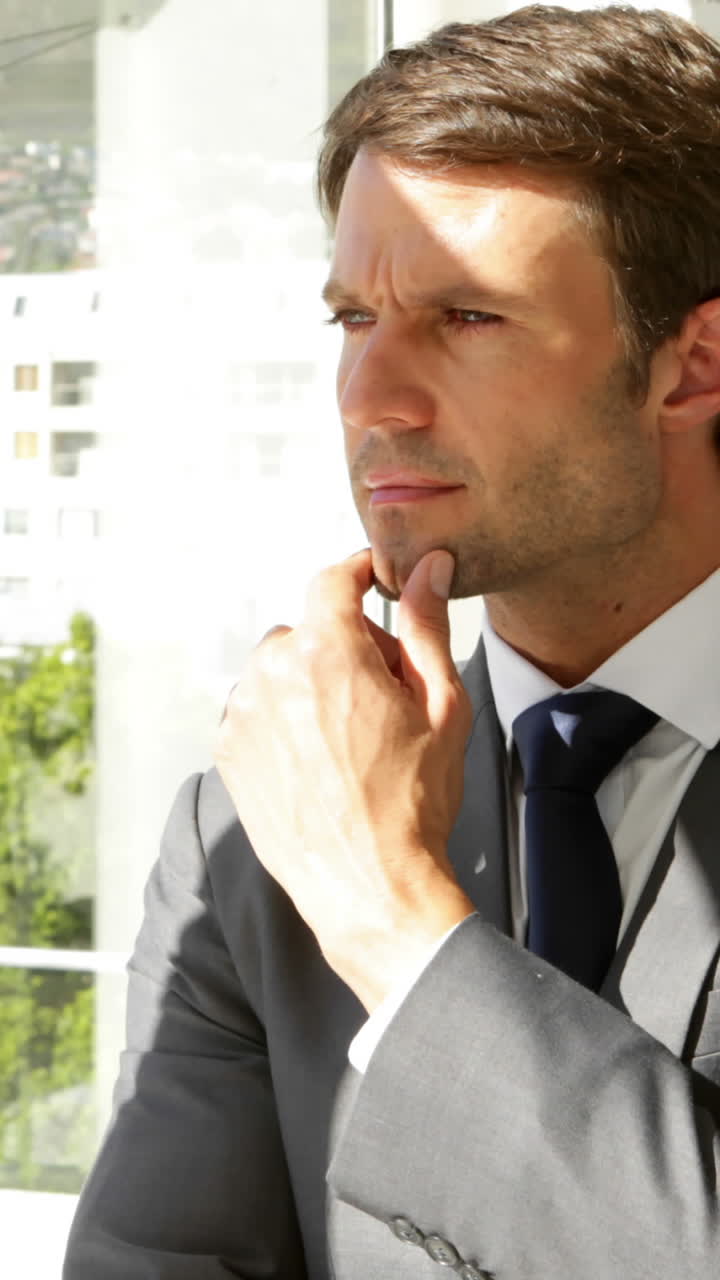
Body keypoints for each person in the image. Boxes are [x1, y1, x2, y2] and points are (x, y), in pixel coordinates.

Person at [64, 6, 720, 1278]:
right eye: (354, 318)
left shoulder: (334, 856)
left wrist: (391, 919)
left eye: (467, 318)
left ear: (692, 365)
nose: (371, 398)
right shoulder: (250, 838)